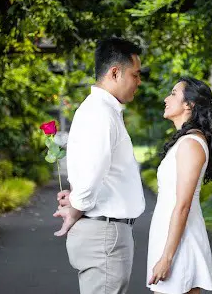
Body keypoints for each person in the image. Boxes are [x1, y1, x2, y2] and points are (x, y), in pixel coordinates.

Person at [53, 37, 146, 294]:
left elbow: (94, 171)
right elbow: (92, 172)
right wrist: (76, 207)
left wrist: (77, 200)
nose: (139, 81)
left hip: (106, 232)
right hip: (105, 234)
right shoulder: (99, 113)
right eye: (135, 74)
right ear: (115, 73)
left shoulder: (101, 111)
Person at [147, 76, 212, 294]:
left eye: (172, 93)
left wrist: (166, 258)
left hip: (180, 245)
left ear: (189, 104)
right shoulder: (185, 141)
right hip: (170, 240)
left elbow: (183, 206)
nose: (165, 98)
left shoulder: (190, 144)